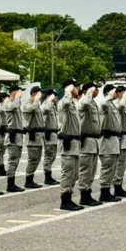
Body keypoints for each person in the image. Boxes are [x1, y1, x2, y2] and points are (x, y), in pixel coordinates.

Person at [57, 79, 84, 211]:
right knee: (68, 173)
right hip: (68, 144)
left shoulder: (73, 103)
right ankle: (65, 200)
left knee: (74, 174)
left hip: (75, 144)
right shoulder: (64, 102)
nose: (78, 89)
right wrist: (67, 92)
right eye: (76, 86)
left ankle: (69, 197)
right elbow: (65, 103)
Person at [77, 82, 102, 206]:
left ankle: (88, 193)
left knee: (92, 171)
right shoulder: (83, 101)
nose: (97, 91)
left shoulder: (92, 103)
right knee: (85, 170)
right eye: (95, 89)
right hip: (86, 141)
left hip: (94, 141)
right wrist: (89, 93)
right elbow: (83, 104)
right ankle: (83, 195)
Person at [97, 84, 123, 203]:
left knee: (112, 168)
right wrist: (109, 95)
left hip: (113, 141)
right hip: (107, 141)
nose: (117, 93)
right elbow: (102, 105)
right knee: (107, 167)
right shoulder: (106, 104)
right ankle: (104, 192)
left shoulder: (112, 104)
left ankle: (107, 191)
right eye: (115, 91)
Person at [0, 86, 25, 193]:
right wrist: (17, 97)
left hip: (18, 136)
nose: (21, 93)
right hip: (13, 137)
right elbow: (13, 106)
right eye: (19, 91)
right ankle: (10, 185)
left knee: (16, 160)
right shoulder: (9, 103)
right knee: (12, 160)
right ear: (13, 92)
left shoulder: (15, 103)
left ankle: (12, 183)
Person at [21, 86, 45, 189]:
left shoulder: (36, 104)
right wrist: (36, 100)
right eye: (39, 94)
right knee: (33, 159)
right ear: (34, 94)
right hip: (32, 137)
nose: (41, 96)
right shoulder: (28, 104)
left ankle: (31, 178)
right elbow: (31, 109)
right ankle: (28, 180)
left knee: (37, 158)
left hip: (38, 137)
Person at [113, 86, 126, 198]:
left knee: (123, 164)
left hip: (125, 137)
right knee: (119, 163)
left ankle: (119, 186)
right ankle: (116, 187)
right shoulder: (117, 103)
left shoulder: (124, 105)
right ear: (119, 93)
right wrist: (124, 97)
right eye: (125, 92)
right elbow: (119, 108)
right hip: (120, 138)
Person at [40, 89, 60, 185]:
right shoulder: (46, 105)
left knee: (53, 155)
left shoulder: (52, 106)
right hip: (48, 134)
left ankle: (49, 175)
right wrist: (49, 100)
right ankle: (47, 177)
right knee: (49, 156)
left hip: (54, 134)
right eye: (55, 95)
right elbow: (44, 110)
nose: (57, 97)